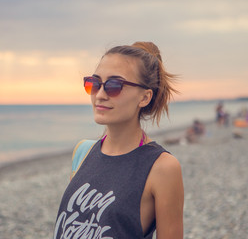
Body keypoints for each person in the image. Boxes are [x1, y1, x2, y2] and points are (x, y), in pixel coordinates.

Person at [54, 42, 184, 239]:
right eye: (94, 83)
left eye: (115, 85)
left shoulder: (162, 167)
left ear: (144, 97)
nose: (100, 94)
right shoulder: (83, 152)